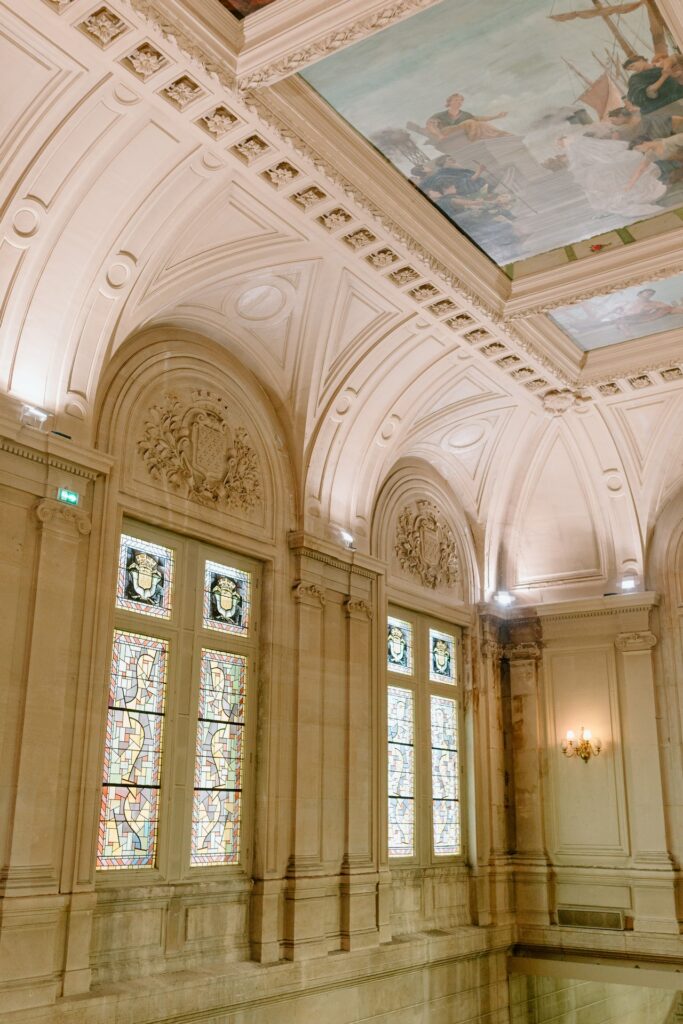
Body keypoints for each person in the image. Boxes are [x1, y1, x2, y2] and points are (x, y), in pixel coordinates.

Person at [562, 132, 666, 217]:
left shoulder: (579, 149)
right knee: (606, 176)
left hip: (618, 165)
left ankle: (625, 198)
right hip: (613, 165)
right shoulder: (590, 156)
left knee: (610, 177)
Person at [417, 93, 511, 143]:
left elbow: (479, 118)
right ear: (449, 102)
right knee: (470, 122)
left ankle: (502, 134)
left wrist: (496, 116)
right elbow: (430, 125)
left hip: (462, 131)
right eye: (456, 100)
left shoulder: (465, 114)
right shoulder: (440, 115)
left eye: (461, 100)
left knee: (481, 124)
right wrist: (439, 135)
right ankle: (473, 141)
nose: (459, 102)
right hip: (447, 133)